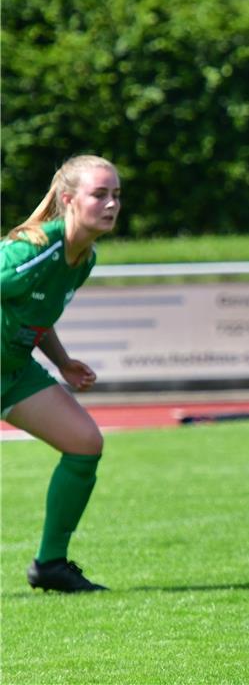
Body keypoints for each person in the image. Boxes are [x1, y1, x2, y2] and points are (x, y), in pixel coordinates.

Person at [2, 155, 122, 593]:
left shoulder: (83, 258)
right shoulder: (32, 249)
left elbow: (37, 313)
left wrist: (63, 361)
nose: (111, 204)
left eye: (116, 195)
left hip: (13, 372)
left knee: (84, 443)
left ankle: (50, 565)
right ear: (68, 199)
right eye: (100, 194)